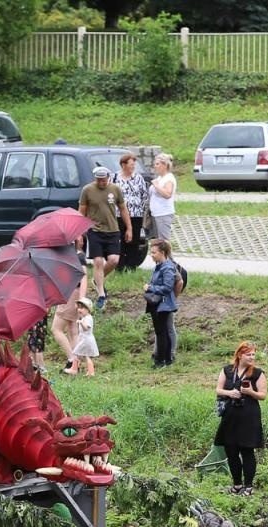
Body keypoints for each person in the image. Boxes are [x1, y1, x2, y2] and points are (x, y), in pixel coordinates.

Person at [214, 341, 268, 495]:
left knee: (247, 451)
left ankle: (248, 486)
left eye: (253, 354)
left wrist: (250, 392)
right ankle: (237, 484)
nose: (252, 357)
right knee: (231, 450)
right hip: (230, 415)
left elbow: (263, 395)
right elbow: (218, 389)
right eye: (248, 354)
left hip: (249, 416)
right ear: (239, 355)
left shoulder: (257, 373)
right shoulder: (227, 370)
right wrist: (230, 393)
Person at [77, 165, 131, 311]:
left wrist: (129, 228)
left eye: (104, 180)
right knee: (98, 261)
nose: (101, 182)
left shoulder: (115, 189)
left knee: (114, 260)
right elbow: (81, 212)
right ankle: (101, 294)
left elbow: (123, 209)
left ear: (108, 177)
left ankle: (97, 280)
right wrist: (79, 232)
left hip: (113, 230)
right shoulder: (87, 190)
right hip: (95, 230)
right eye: (99, 180)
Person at [143, 238, 179, 368]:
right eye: (151, 252)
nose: (151, 255)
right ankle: (167, 359)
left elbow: (167, 287)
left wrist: (150, 288)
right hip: (158, 305)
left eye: (154, 252)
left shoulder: (167, 267)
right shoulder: (159, 266)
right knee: (162, 332)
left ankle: (160, 361)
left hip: (163, 305)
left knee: (161, 333)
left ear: (162, 253)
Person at [114, 153, 151, 266]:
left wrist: (139, 207)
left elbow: (144, 195)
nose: (133, 166)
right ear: (123, 165)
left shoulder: (138, 178)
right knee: (120, 239)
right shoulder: (115, 178)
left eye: (134, 164)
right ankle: (120, 265)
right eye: (131, 164)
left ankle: (131, 265)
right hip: (119, 214)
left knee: (134, 240)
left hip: (136, 214)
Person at [64, 297, 98, 376]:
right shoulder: (85, 318)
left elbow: (86, 328)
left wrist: (81, 322)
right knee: (83, 355)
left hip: (86, 340)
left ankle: (75, 369)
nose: (79, 310)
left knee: (77, 353)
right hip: (84, 339)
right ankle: (88, 371)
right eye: (79, 308)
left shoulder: (88, 318)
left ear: (88, 309)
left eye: (82, 308)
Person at [148, 153, 177, 243]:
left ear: (164, 165)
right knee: (158, 241)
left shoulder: (169, 178)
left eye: (157, 164)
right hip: (156, 213)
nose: (155, 166)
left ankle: (169, 253)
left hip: (163, 214)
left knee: (164, 241)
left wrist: (156, 185)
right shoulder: (160, 178)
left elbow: (168, 194)